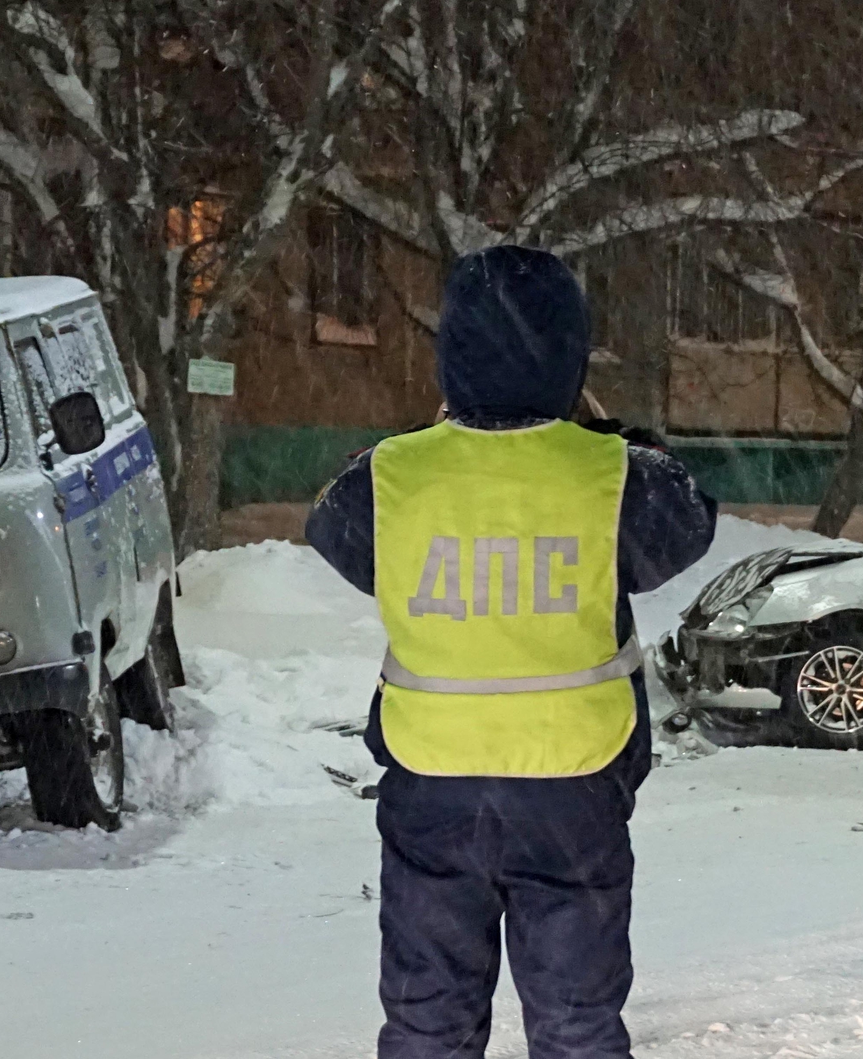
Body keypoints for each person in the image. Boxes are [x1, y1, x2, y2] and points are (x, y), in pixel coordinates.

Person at [305, 245, 717, 1059]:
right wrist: (604, 434)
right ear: (570, 354)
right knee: (576, 1023)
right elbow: (690, 517)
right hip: (574, 788)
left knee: (428, 1019)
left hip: (431, 791)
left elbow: (334, 533)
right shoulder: (616, 476)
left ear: (449, 354)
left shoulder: (386, 478)